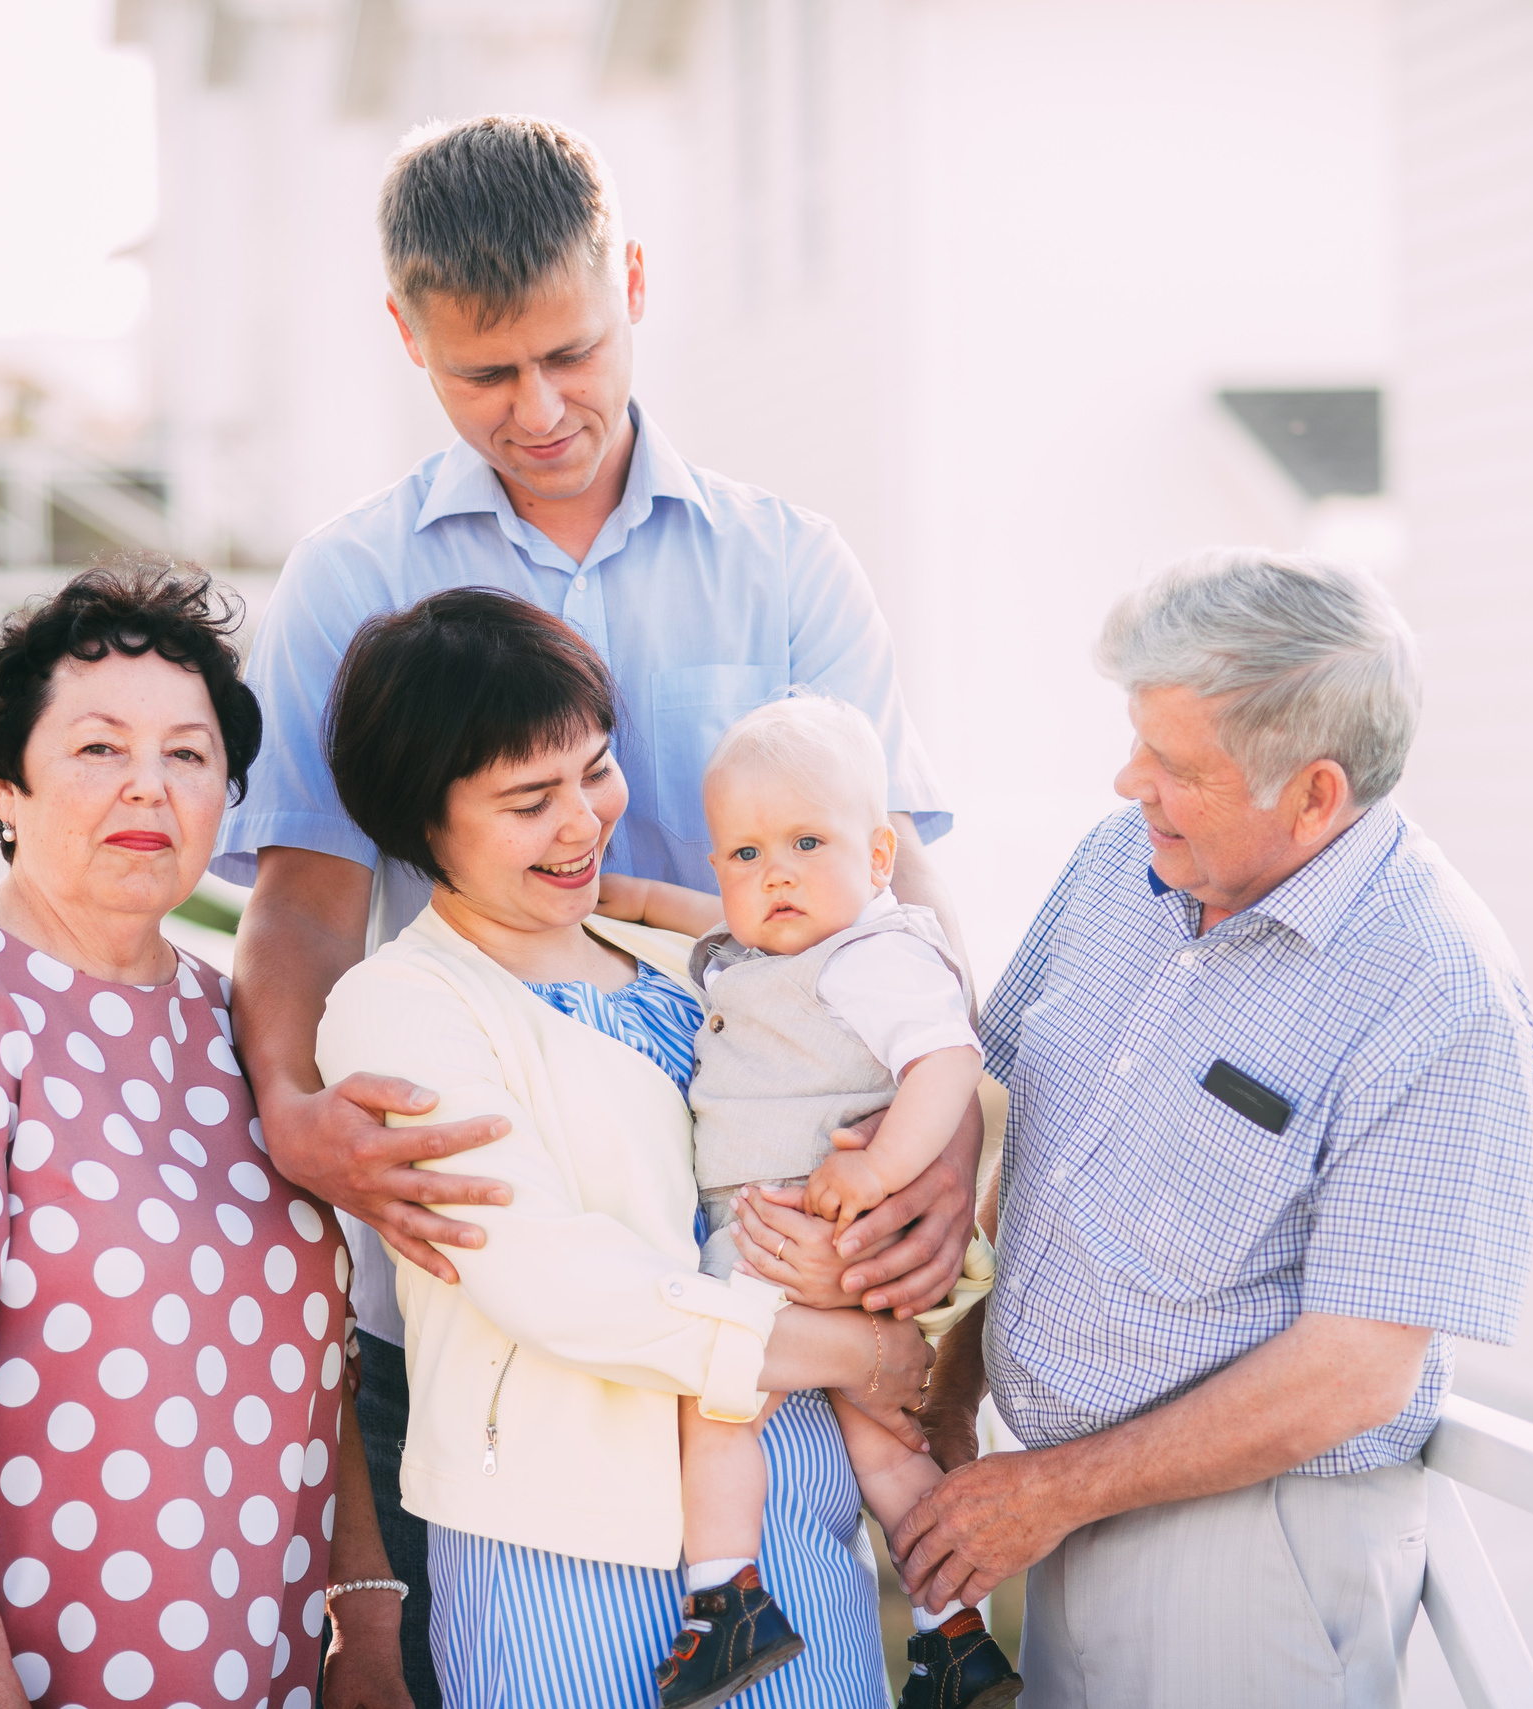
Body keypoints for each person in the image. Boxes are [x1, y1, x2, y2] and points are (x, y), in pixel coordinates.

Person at [216, 114, 981, 1704]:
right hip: (489, 1304)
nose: (541, 411)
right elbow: (298, 897)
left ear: (633, 282)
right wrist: (289, 1111)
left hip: (772, 1262)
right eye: (483, 376)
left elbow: (898, 886)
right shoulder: (348, 577)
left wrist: (955, 1122)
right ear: (405, 337)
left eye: (575, 351)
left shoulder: (790, 567)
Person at [893, 550, 1533, 1708]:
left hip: (1251, 1558)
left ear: (1314, 796)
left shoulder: (1438, 991)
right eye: (1137, 738)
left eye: (1175, 765)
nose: (1125, 780)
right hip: (1054, 1513)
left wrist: (1054, 1490)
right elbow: (1032, 1150)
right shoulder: (1119, 863)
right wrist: (960, 1373)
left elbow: (1353, 1374)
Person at [0, 561, 406, 1709]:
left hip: (260, 1671)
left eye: (189, 753)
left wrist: (365, 1625)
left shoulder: (238, 1022)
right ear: (5, 783)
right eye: (99, 748)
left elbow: (328, 1370)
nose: (148, 789)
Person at [311, 589, 926, 1708]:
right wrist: (857, 1353)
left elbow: (878, 1108)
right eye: (528, 798)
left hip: (783, 1502)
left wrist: (899, 1246)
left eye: (594, 769)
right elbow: (560, 1281)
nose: (583, 821)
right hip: (562, 1535)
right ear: (423, 821)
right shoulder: (399, 1006)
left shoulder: (697, 953)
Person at [602, 695, 1019, 1709]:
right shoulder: (768, 946)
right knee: (884, 1446)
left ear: (879, 855)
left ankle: (725, 1598)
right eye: (742, 855)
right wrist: (600, 893)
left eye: (803, 841)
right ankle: (954, 1634)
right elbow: (678, 909)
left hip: (803, 1242)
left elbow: (948, 1055)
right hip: (804, 1250)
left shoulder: (873, 956)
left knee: (714, 1407)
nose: (773, 872)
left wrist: (876, 1175)